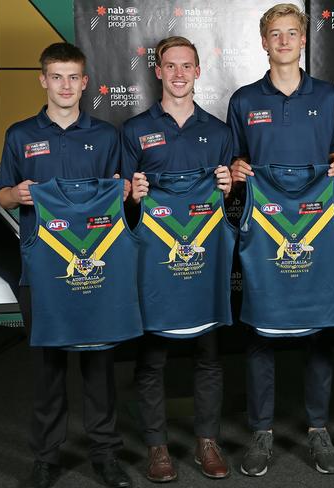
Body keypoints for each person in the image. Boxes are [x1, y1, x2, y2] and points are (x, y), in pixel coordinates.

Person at [0, 43, 132, 488]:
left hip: (96, 267)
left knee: (99, 366)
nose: (66, 85)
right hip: (41, 269)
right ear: (43, 80)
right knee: (48, 368)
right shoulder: (19, 134)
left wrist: (125, 190)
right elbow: (2, 194)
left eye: (73, 77)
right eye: (57, 76)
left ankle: (105, 454)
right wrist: (18, 195)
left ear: (85, 82)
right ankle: (46, 457)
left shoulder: (107, 135)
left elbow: (122, 195)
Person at [226, 3, 334, 476]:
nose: (283, 41)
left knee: (318, 330)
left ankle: (318, 430)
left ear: (304, 40)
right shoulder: (243, 100)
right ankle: (262, 431)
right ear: (263, 42)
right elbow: (236, 162)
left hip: (315, 227)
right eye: (274, 34)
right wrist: (237, 171)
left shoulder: (329, 96)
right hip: (265, 228)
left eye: (292, 33)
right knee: (261, 328)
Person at [120, 36, 233, 482]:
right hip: (154, 262)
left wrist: (228, 186)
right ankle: (157, 446)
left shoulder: (220, 131)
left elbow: (231, 201)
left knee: (209, 357)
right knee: (152, 359)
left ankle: (208, 441)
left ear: (198, 71)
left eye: (187, 66)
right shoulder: (133, 130)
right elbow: (121, 205)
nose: (180, 74)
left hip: (203, 262)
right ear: (158, 71)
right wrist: (133, 195)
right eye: (171, 66)